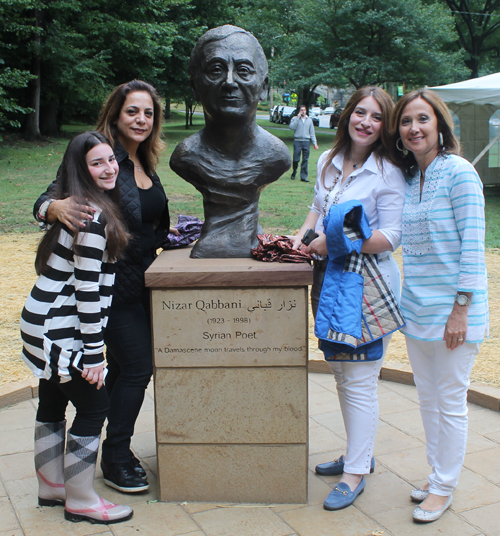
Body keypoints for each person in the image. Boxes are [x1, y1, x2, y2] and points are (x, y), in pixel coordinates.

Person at [34, 80, 170, 493]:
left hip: (141, 286)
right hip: (106, 292)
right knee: (135, 368)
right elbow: (47, 200)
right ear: (115, 114)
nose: (141, 120)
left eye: (148, 113)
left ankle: (85, 455)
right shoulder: (99, 158)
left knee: (126, 371)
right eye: (133, 111)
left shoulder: (143, 162)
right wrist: (53, 208)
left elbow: (147, 225)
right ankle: (115, 456)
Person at [290, 87, 406, 510]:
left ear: (385, 126)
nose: (366, 122)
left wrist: (330, 242)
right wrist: (303, 237)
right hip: (330, 280)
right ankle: (358, 451)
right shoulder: (328, 160)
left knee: (360, 382)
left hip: (367, 285)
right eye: (360, 112)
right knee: (342, 374)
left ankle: (356, 471)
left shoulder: (388, 171)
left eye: (377, 117)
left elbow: (390, 237)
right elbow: (317, 207)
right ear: (347, 115)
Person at [21, 132, 132, 524]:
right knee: (94, 405)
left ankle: (51, 485)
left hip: (41, 321)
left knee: (52, 400)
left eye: (111, 160)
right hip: (58, 327)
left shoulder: (82, 206)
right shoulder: (91, 215)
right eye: (97, 163)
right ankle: (82, 499)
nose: (109, 168)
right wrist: (94, 356)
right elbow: (87, 291)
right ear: (80, 171)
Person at [390, 89, 488, 523]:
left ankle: (444, 487)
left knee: (450, 401)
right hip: (417, 310)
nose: (414, 128)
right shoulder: (411, 180)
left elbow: (472, 248)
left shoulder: (460, 173)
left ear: (440, 125)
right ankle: (436, 475)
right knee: (428, 400)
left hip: (454, 312)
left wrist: (460, 310)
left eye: (422, 119)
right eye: (406, 121)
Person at [170, 25, 291, 258]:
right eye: (215, 70)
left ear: (263, 87)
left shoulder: (277, 156)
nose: (229, 82)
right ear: (195, 87)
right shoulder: (184, 157)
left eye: (244, 71)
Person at [289, 104, 319, 182]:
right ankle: (294, 171)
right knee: (296, 159)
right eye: (301, 110)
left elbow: (312, 133)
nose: (303, 111)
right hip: (297, 141)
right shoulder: (295, 119)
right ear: (299, 111)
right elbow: (291, 127)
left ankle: (303, 176)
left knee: (305, 159)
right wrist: (297, 118)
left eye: (304, 110)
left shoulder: (309, 120)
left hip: (306, 141)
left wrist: (315, 143)